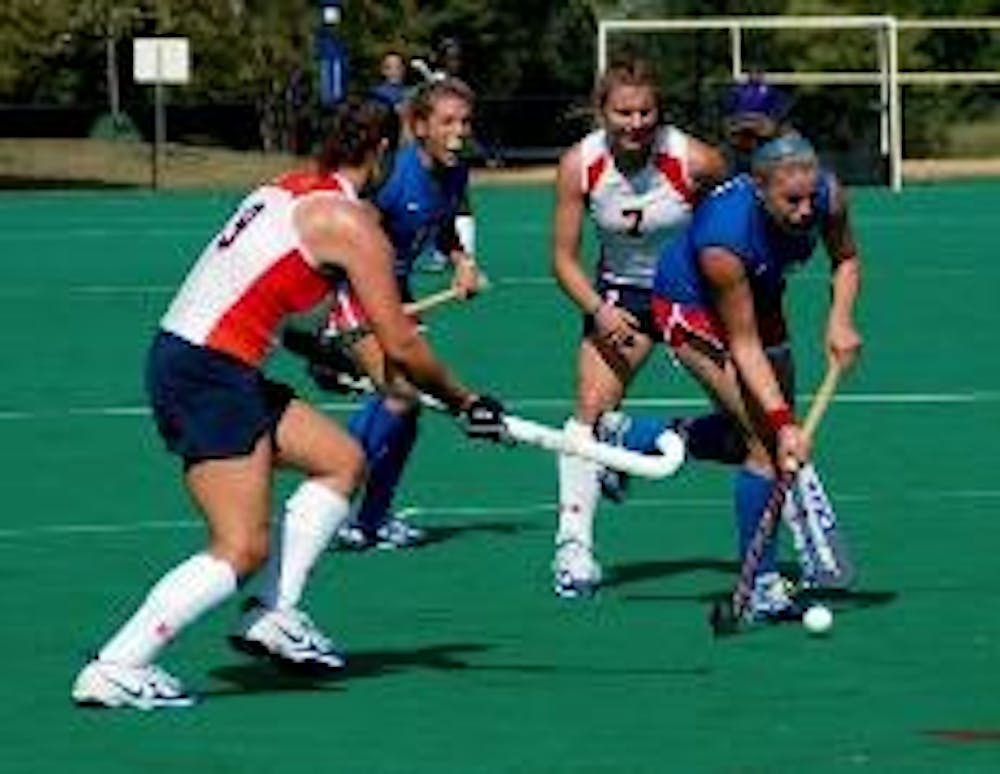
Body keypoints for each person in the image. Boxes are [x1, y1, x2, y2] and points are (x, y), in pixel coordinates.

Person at [70, 96, 506, 710]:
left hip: (204, 360)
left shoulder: (290, 189)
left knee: (342, 460)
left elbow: (306, 308)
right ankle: (118, 664)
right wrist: (467, 401)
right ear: (382, 152)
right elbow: (401, 342)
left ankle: (274, 614)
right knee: (241, 545)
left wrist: (335, 358)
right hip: (208, 372)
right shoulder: (355, 226)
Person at [650, 133, 862, 619]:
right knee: (766, 443)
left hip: (760, 292)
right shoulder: (724, 240)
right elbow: (743, 345)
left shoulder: (827, 196)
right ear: (758, 188)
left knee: (757, 432)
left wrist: (841, 319)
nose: (807, 210)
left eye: (811, 196)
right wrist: (784, 421)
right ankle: (762, 584)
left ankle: (631, 438)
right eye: (792, 201)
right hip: (692, 305)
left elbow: (846, 259)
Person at [550, 58, 728, 598]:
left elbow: (736, 223)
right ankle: (573, 546)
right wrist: (600, 310)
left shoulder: (696, 160)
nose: (635, 122)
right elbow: (562, 259)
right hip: (621, 298)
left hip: (691, 294)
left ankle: (642, 436)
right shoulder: (579, 165)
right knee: (587, 409)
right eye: (623, 112)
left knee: (746, 424)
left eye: (645, 111)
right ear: (602, 112)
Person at [311, 77, 483, 550]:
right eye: (447, 122)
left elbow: (443, 226)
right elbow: (340, 239)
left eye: (465, 122)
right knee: (403, 393)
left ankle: (371, 518)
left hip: (394, 287)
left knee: (405, 411)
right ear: (420, 126)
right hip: (355, 287)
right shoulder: (388, 177)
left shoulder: (455, 173)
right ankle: (334, 505)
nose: (459, 132)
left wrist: (462, 260)